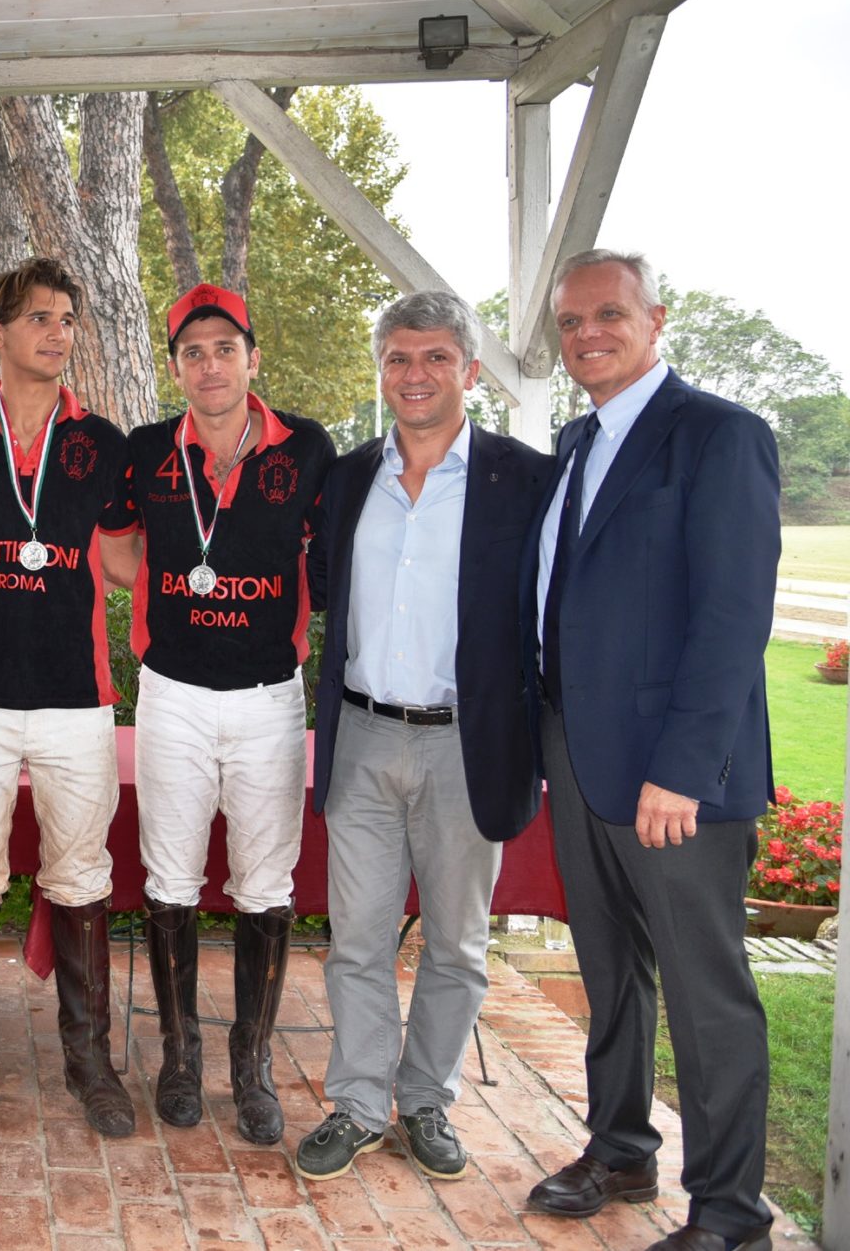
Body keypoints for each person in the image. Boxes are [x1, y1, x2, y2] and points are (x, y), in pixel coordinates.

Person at [522, 250, 779, 1251]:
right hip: (577, 756)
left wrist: (683, 767)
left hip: (672, 778)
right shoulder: (575, 442)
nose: (586, 332)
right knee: (609, 970)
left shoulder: (717, 437)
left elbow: (727, 619)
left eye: (607, 314)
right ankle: (620, 1146)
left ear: (653, 317)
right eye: (570, 319)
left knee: (705, 992)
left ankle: (727, 1213)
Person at [291, 291, 552, 1182]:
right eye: (399, 358)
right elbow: (322, 587)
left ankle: (427, 1099)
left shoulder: (526, 480)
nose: (415, 375)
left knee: (456, 943)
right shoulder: (347, 476)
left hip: (466, 743)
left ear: (470, 371)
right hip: (361, 735)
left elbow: (548, 617)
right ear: (382, 369)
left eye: (436, 357)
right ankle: (361, 1103)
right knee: (356, 938)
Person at [0, 257, 137, 1137]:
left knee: (83, 879)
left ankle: (91, 1062)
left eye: (68, 318)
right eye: (40, 318)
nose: (58, 333)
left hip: (75, 699)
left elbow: (125, 562)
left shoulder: (105, 445)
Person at [118, 281, 333, 1146]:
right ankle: (178, 1055)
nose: (210, 364)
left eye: (225, 347)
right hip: (170, 691)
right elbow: (117, 548)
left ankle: (250, 1064)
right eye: (193, 351)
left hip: (268, 699)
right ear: (175, 366)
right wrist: (170, 591)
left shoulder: (307, 448)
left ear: (253, 356)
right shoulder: (144, 451)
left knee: (266, 885)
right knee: (168, 878)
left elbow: (332, 549)